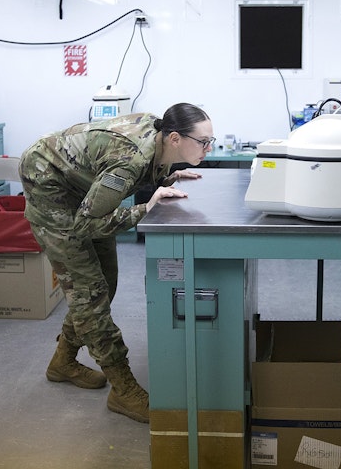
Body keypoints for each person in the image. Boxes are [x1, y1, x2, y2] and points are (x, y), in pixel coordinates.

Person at [19, 103, 213, 423]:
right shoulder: (129, 161)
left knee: (105, 279)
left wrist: (167, 176)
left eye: (210, 140)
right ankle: (123, 389)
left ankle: (63, 362)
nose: (209, 147)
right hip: (48, 183)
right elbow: (86, 225)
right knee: (90, 290)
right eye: (203, 141)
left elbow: (144, 161)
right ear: (175, 138)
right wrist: (145, 208)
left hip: (80, 183)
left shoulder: (160, 136)